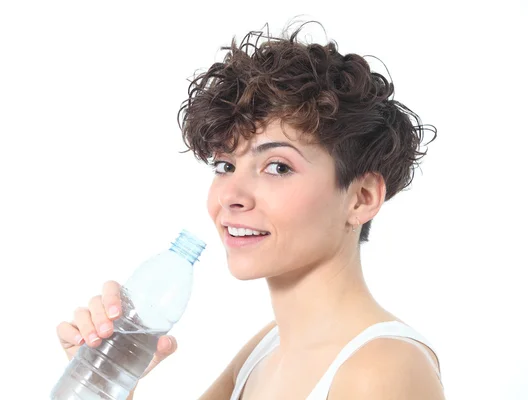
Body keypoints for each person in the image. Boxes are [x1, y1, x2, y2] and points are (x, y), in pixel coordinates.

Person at [56, 23, 445, 399]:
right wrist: (107, 381)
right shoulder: (267, 349)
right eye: (225, 165)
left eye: (278, 166)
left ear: (361, 197)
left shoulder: (381, 370)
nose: (231, 196)